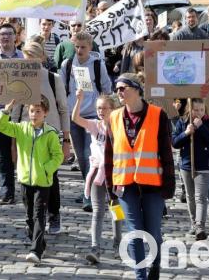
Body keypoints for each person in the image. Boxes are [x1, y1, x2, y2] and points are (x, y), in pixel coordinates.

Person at [104, 73, 175, 280]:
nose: (119, 92)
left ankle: (154, 268)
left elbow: (166, 153)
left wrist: (169, 185)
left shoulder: (157, 115)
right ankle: (140, 276)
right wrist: (110, 188)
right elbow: (110, 154)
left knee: (153, 233)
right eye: (117, 89)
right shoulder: (114, 117)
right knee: (135, 233)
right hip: (125, 184)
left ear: (137, 89)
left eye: (123, 87)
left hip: (153, 184)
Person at [10, 42, 70, 233]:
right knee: (28, 177)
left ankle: (54, 214)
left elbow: (63, 109)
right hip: (27, 135)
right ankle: (33, 218)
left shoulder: (54, 79)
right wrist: (13, 143)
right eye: (27, 58)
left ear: (42, 58)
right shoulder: (21, 79)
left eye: (34, 58)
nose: (30, 62)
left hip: (50, 135)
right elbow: (16, 112)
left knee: (50, 175)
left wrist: (66, 140)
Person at [0, 95, 63, 265]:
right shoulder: (21, 128)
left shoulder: (50, 133)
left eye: (38, 111)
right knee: (29, 216)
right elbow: (1, 125)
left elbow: (58, 155)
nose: (34, 114)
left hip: (43, 182)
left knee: (39, 215)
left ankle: (36, 250)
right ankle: (40, 242)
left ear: (45, 113)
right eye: (32, 111)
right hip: (25, 179)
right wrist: (6, 110)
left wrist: (46, 169)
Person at [61, 31, 112, 212]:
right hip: (74, 115)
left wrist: (103, 110)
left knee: (89, 153)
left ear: (90, 47)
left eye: (83, 47)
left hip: (92, 116)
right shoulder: (67, 64)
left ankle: (90, 193)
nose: (80, 50)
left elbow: (106, 88)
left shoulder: (97, 64)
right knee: (81, 157)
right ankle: (89, 188)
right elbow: (62, 89)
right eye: (77, 46)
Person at [71, 89, 123, 263]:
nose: (101, 111)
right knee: (98, 212)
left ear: (113, 109)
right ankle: (95, 248)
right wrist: (79, 100)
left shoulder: (119, 126)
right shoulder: (95, 125)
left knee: (116, 210)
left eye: (105, 108)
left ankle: (118, 245)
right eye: (99, 108)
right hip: (97, 174)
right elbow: (75, 119)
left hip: (114, 174)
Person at [0, 23, 24, 206]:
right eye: (3, 34)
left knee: (24, 153)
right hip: (0, 114)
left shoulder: (24, 59)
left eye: (9, 33)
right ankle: (7, 191)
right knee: (3, 155)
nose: (6, 37)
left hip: (22, 115)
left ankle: (27, 190)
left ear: (16, 36)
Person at [172, 98, 209, 241]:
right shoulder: (182, 122)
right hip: (186, 165)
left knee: (201, 198)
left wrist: (201, 127)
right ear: (189, 110)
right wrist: (186, 133)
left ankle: (200, 226)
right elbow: (175, 143)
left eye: (202, 110)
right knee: (190, 197)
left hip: (204, 166)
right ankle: (194, 223)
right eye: (196, 110)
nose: (199, 113)